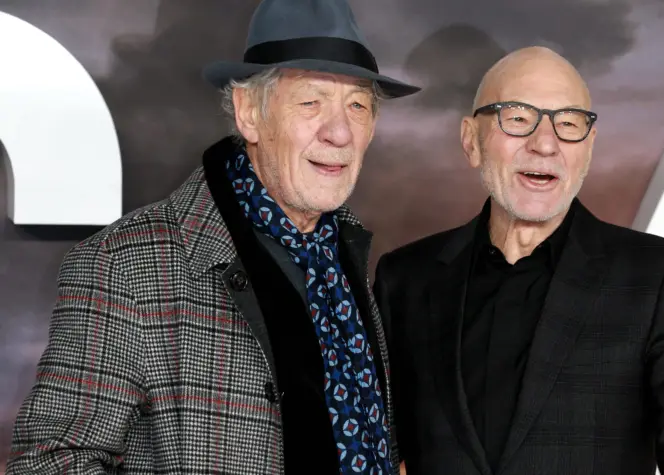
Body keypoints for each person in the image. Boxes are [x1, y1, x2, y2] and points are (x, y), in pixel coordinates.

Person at [7, 0, 419, 473]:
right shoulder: (122, 266)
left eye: (358, 106)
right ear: (248, 113)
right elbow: (50, 463)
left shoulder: (350, 259)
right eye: (310, 101)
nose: (340, 132)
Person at [373, 46, 664, 475]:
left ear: (588, 148)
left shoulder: (657, 277)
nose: (545, 143)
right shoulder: (405, 280)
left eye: (569, 123)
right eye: (517, 118)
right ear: (471, 141)